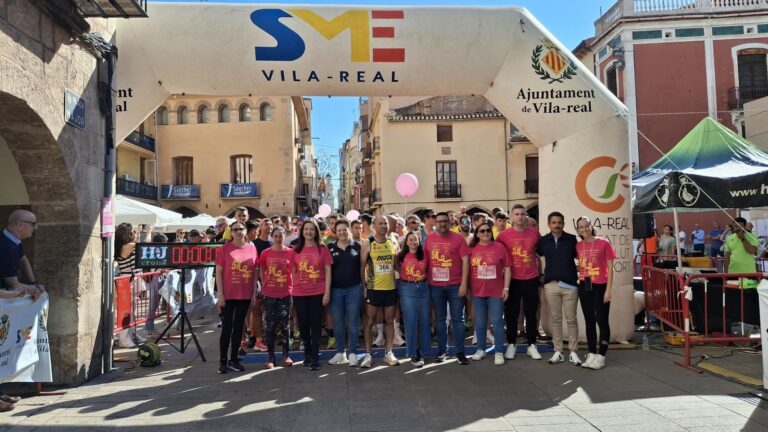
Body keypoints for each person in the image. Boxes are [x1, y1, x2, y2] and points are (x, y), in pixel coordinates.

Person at [424, 211, 470, 365]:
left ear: (449, 223)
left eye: (445, 221)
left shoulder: (458, 238)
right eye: (439, 221)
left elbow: (466, 261)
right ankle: (442, 350)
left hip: (455, 285)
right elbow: (425, 261)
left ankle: (460, 352)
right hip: (435, 286)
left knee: (458, 319)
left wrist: (464, 284)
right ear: (435, 223)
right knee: (440, 320)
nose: (442, 224)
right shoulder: (429, 238)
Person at [497, 204, 542, 361]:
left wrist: (542, 273)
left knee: (531, 313)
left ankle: (531, 345)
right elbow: (496, 255)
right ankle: (511, 344)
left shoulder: (535, 234)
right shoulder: (503, 236)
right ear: (511, 216)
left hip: (531, 278)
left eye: (523, 214)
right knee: (512, 314)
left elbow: (540, 254)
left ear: (526, 216)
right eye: (517, 214)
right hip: (512, 280)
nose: (520, 217)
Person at [537, 212, 581, 366]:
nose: (557, 225)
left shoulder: (571, 239)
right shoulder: (543, 241)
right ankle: (558, 351)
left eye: (559, 222)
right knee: (556, 319)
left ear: (563, 224)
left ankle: (573, 352)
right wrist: (540, 275)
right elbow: (536, 257)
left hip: (570, 285)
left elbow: (581, 257)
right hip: (551, 285)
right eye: (554, 222)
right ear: (549, 224)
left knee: (571, 319)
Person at [214, 221, 258, 374]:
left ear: (246, 231)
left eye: (241, 229)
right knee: (227, 328)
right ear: (231, 232)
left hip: (245, 294)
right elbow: (218, 272)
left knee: (239, 328)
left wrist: (254, 292)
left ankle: (233, 359)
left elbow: (254, 271)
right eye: (235, 229)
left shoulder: (252, 248)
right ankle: (222, 361)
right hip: (228, 295)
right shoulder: (225, 248)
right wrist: (220, 294)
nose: (238, 232)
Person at [575, 216, 616, 370]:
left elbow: (610, 268)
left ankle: (601, 356)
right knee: (589, 320)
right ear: (578, 230)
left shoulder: (604, 243)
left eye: (587, 226)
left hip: (601, 286)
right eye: (581, 227)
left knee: (602, 320)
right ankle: (592, 353)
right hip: (584, 286)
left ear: (591, 226)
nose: (584, 229)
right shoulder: (578, 246)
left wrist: (608, 290)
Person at [468, 221, 511, 366]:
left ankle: (499, 351)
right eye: (482, 231)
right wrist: (467, 288)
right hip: (477, 291)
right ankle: (481, 349)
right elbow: (466, 269)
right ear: (477, 234)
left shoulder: (499, 247)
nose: (486, 233)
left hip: (496, 292)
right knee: (480, 322)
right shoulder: (472, 249)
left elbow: (508, 268)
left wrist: (506, 288)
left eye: (488, 230)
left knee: (497, 321)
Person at [359, 215, 400, 367]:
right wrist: (364, 287)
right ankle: (368, 354)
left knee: (390, 320)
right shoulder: (367, 242)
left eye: (385, 223)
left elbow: (396, 264)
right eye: (380, 223)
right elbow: (362, 266)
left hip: (390, 288)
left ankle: (389, 353)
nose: (384, 226)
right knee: (369, 322)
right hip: (373, 288)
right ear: (374, 226)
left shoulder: (393, 241)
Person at [293, 219, 332, 370]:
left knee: (315, 324)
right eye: (306, 229)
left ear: (316, 232)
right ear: (302, 232)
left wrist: (327, 293)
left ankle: (315, 358)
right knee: (303, 324)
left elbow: (328, 271)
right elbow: (294, 272)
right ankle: (307, 354)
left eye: (312, 229)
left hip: (318, 292)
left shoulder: (323, 249)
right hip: (299, 293)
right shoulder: (295, 250)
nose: (309, 232)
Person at [327, 219, 364, 366]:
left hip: (354, 289)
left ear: (349, 230)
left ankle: (353, 353)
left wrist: (364, 287)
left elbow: (362, 268)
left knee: (353, 322)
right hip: (336, 290)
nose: (342, 232)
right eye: (339, 230)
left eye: (344, 229)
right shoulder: (329, 247)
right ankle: (341, 352)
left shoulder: (358, 246)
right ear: (335, 232)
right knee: (338, 323)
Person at [259, 226, 295, 368]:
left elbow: (294, 270)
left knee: (285, 325)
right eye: (276, 236)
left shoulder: (290, 252)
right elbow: (262, 268)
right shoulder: (265, 252)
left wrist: (293, 287)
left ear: (285, 236)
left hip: (286, 292)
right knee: (270, 326)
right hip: (269, 293)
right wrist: (264, 282)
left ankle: (286, 355)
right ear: (272, 237)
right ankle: (271, 357)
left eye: (281, 236)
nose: (278, 239)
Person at [396, 231, 431, 367]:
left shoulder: (425, 254)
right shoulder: (400, 255)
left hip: (423, 288)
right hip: (407, 288)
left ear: (419, 241)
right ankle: (413, 353)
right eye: (410, 239)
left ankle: (423, 351)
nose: (413, 242)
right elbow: (397, 268)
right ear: (406, 242)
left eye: (415, 239)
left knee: (424, 321)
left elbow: (428, 269)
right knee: (410, 322)